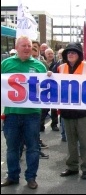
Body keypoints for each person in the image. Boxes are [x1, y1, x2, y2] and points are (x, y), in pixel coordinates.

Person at [1, 35, 47, 189]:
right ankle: (13, 176)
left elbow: (47, 87)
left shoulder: (40, 66)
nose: (27, 48)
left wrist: (50, 78)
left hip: (32, 114)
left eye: (29, 46)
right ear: (17, 47)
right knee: (12, 148)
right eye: (24, 46)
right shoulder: (6, 64)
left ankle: (31, 178)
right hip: (12, 113)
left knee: (33, 147)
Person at [54, 42, 86, 179]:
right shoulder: (59, 68)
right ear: (65, 55)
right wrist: (49, 75)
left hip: (83, 111)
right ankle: (72, 167)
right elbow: (53, 84)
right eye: (69, 52)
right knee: (71, 142)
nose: (71, 54)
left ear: (79, 55)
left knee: (85, 141)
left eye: (74, 52)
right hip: (67, 111)